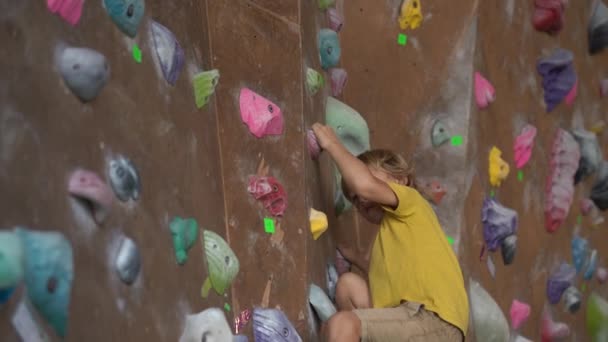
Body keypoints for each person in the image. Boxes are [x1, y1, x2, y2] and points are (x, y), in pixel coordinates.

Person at [311, 123, 469, 342]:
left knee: (342, 325)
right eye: (354, 200)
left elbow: (363, 185)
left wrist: (332, 144)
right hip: (409, 320)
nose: (360, 200)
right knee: (348, 286)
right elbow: (384, 270)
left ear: (400, 180)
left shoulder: (412, 203)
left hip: (435, 320)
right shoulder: (394, 239)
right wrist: (355, 257)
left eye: (369, 181)